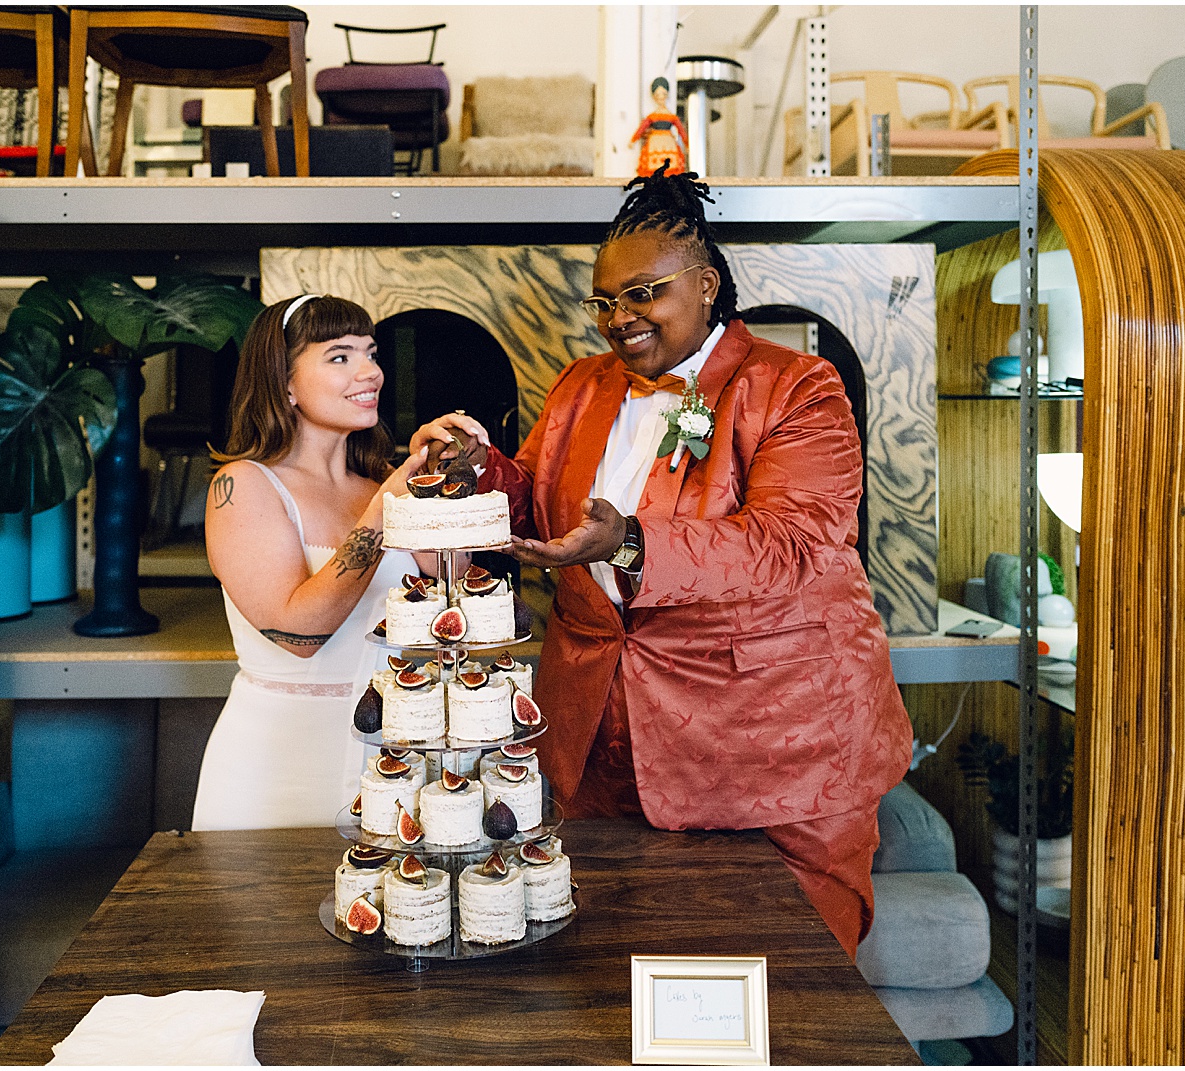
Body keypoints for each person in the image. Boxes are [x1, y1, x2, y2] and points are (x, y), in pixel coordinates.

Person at [409, 168, 912, 958]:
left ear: (707, 285)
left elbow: (793, 544)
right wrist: (480, 469)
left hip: (775, 753)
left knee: (788, 992)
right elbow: (541, 507)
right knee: (615, 985)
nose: (620, 318)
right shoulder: (582, 387)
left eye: (643, 293)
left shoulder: (796, 387)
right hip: (599, 749)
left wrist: (631, 541)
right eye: (604, 301)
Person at [194, 294, 430, 831]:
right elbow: (298, 635)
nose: (370, 372)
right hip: (275, 771)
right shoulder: (245, 484)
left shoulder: (381, 489)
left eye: (370, 353)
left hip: (391, 770)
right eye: (339, 356)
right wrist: (384, 513)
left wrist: (442, 484)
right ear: (285, 382)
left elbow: (455, 612)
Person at [627, 77, 688, 177]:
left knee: (670, 165)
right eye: (658, 95)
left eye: (663, 94)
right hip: (655, 142)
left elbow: (681, 130)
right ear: (654, 97)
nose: (661, 97)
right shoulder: (652, 116)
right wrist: (633, 140)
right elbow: (641, 129)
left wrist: (687, 144)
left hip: (668, 142)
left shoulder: (671, 117)